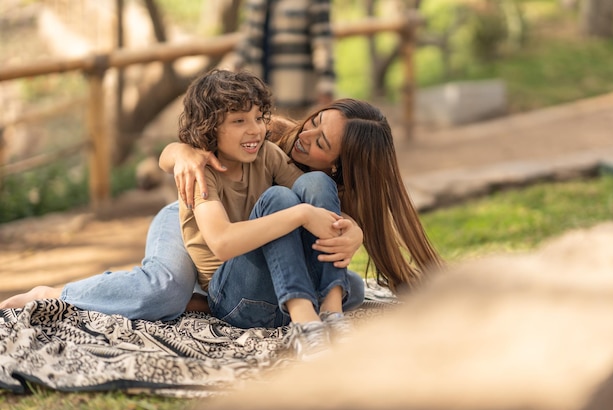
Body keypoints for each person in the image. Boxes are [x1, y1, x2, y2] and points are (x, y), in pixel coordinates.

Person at [0, 94, 442, 327]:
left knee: (353, 290)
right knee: (164, 290)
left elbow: (334, 231)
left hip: (249, 250)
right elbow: (175, 151)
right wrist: (182, 155)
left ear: (342, 166)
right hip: (196, 217)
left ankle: (210, 297)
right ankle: (55, 294)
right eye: (315, 121)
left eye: (320, 142)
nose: (305, 134)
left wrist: (357, 232)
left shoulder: (327, 188)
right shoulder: (272, 134)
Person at [174, 68, 360, 358]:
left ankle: (332, 313)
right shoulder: (201, 173)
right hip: (236, 301)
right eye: (239, 121)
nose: (256, 130)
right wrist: (300, 215)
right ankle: (305, 323)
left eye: (259, 118)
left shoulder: (267, 154)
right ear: (209, 128)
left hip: (281, 292)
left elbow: (316, 194)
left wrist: (352, 227)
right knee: (278, 198)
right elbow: (222, 243)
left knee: (317, 180)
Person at [230, 0, 335, 119]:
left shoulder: (314, 3)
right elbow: (246, 39)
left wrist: (326, 87)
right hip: (257, 92)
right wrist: (235, 76)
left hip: (295, 92)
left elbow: (322, 45)